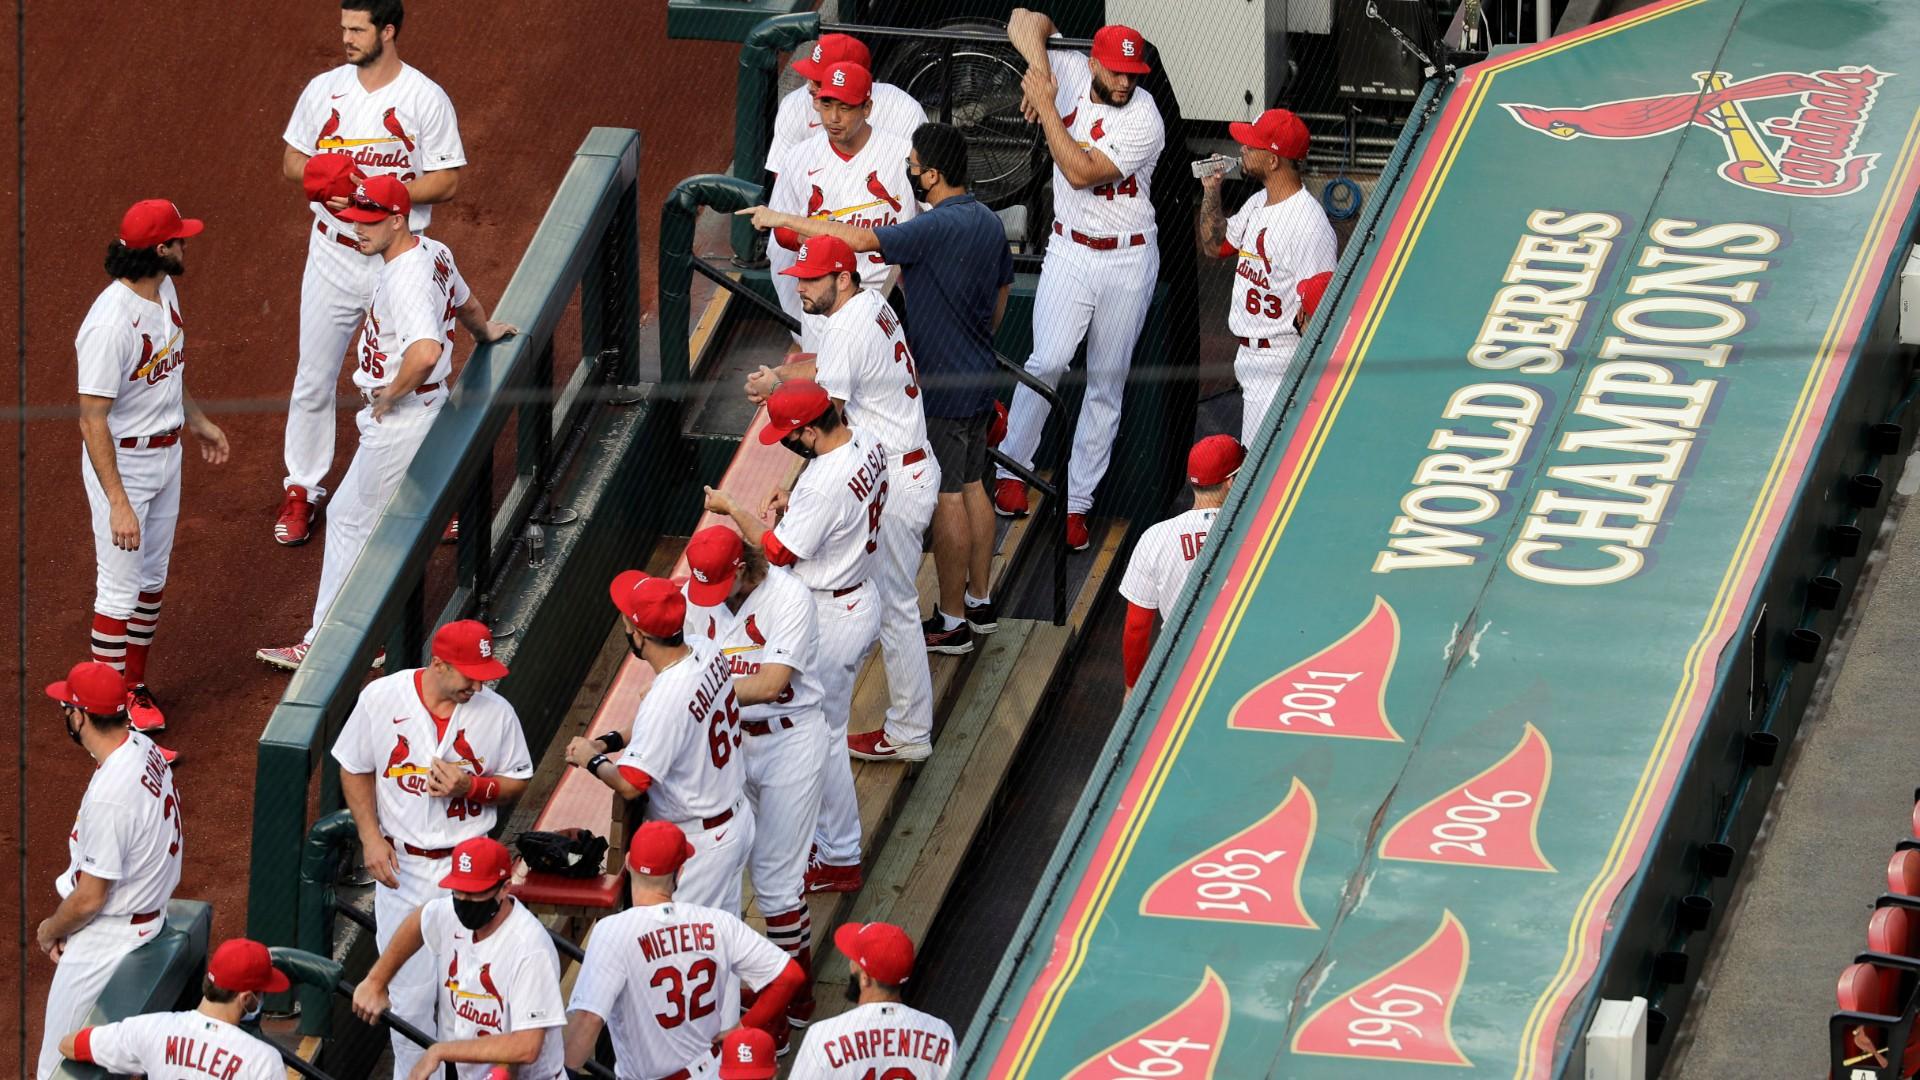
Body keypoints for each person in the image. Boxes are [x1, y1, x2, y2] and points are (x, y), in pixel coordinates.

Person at [738, 121, 1013, 656]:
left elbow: (863, 240)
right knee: (977, 484)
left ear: (932, 175)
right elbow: (1002, 295)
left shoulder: (934, 226)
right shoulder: (987, 220)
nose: (908, 171)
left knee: (952, 495)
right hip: (979, 369)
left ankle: (954, 620)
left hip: (945, 388)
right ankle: (980, 601)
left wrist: (781, 218)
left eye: (913, 165)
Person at [257, 175, 515, 671]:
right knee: (378, 520)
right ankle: (368, 633)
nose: (358, 229)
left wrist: (387, 397)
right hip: (420, 411)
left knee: (351, 519)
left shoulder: (406, 277)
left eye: (370, 222)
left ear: (398, 218)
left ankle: (329, 642)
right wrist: (486, 333)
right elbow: (466, 303)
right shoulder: (432, 251)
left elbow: (424, 351)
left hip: (403, 418)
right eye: (355, 219)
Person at [736, 236, 938, 762]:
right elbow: (827, 383)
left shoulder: (847, 326)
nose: (800, 285)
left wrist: (799, 478)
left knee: (896, 608)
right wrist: (782, 377)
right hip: (897, 462)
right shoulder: (867, 302)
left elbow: (824, 417)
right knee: (889, 603)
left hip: (896, 473)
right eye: (799, 276)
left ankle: (911, 732)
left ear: (842, 278)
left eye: (811, 278)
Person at [277, 0, 465, 545]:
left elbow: (449, 179)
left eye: (358, 29)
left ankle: (431, 491)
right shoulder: (324, 89)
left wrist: (378, 195)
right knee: (313, 374)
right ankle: (303, 488)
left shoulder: (424, 98)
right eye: (343, 28)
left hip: (396, 258)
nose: (347, 38)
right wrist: (325, 178)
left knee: (419, 376)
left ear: (389, 30)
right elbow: (291, 161)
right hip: (333, 254)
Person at [326, 619, 535, 1079]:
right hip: (405, 872)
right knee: (410, 1005)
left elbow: (519, 779)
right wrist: (370, 838)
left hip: (473, 875)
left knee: (478, 1004)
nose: (477, 683)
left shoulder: (495, 712)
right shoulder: (381, 699)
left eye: (483, 673)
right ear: (437, 663)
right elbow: (354, 767)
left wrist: (473, 787)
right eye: (468, 673)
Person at [703, 379, 887, 895]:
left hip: (830, 615)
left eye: (790, 434)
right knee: (823, 733)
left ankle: (841, 854)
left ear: (810, 429)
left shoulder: (826, 483)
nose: (786, 441)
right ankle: (825, 845)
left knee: (822, 740)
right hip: (856, 593)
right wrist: (798, 503)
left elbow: (780, 553)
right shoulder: (864, 439)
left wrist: (732, 508)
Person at [994, 12, 1165, 552]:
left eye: (1132, 73)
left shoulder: (1145, 118)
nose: (1124, 81)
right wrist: (1042, 72)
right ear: (1093, 62)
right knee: (1046, 360)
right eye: (1115, 71)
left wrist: (1043, 104)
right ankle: (1012, 472)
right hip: (1069, 247)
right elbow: (1024, 19)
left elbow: (1079, 172)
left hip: (1127, 257)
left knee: (1105, 384)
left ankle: (1077, 504)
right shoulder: (1068, 69)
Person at [77, 199, 229, 754]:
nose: (187, 245)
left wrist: (199, 421)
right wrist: (117, 501)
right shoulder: (109, 326)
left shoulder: (164, 291)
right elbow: (92, 419)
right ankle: (104, 720)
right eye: (179, 239)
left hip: (167, 457)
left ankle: (132, 687)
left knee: (152, 582)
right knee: (118, 591)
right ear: (160, 249)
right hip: (124, 466)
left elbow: (169, 372)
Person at [678, 525, 828, 1025]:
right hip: (733, 742)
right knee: (731, 868)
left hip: (790, 739)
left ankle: (792, 1002)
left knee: (777, 883)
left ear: (742, 567)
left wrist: (696, 689)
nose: (710, 598)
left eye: (719, 584)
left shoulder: (789, 597)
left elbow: (769, 684)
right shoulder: (696, 597)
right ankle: (766, 991)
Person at [570, 571, 755, 915]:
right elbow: (665, 723)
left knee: (689, 956)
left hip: (699, 846)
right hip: (733, 821)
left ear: (639, 635)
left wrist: (589, 760)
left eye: (627, 622)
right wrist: (606, 743)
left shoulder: (666, 700)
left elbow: (630, 784)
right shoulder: (706, 648)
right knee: (722, 946)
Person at [562, 821, 806, 1078]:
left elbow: (588, 1020)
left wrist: (559, 1072)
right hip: (713, 1069)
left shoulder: (612, 932)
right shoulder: (718, 922)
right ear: (680, 871)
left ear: (629, 861)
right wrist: (742, 1028)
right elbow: (790, 976)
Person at [36, 661, 185, 1080]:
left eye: (66, 706)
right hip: (146, 915)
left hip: (110, 936)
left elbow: (89, 898)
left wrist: (51, 928)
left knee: (54, 1068)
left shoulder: (110, 797)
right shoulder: (144, 746)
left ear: (80, 716)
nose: (64, 714)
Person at [352, 836, 566, 1080]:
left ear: (505, 888)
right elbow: (419, 922)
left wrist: (440, 1051)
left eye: (474, 895)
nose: (464, 903)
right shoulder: (450, 912)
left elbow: (527, 1047)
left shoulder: (530, 948)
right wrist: (376, 981)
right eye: (458, 893)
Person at [1196, 108, 1337, 443]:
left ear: (1274, 161)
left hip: (1281, 360)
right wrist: (1211, 189)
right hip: (1251, 356)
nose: (1242, 148)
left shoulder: (1309, 226)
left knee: (1258, 472)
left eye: (1252, 144)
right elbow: (1214, 246)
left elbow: (1323, 314)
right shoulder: (1259, 202)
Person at [766, 62, 918, 349]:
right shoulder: (799, 158)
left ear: (867, 108)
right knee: (826, 386)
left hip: (885, 299)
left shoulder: (902, 156)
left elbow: (937, 220)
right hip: (823, 302)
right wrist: (812, 239)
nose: (833, 118)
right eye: (826, 104)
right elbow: (781, 231)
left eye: (845, 107)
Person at [59, 937, 291, 1080]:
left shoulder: (151, 1029)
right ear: (247, 998)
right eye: (262, 992)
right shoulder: (264, 1061)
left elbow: (70, 1045)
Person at [1119, 436, 1246, 690]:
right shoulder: (1258, 526)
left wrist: (1132, 688)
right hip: (1242, 659)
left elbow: (1136, 628)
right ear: (1232, 482)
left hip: (1181, 667)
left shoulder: (1155, 537)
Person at [789, 922, 954, 1079]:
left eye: (854, 961)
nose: (850, 965)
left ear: (865, 979)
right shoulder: (941, 1033)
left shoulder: (822, 1036)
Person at [766, 34, 927, 178]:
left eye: (819, 81)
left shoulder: (901, 109)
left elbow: (921, 177)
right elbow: (783, 174)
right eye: (810, 77)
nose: (810, 87)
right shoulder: (794, 105)